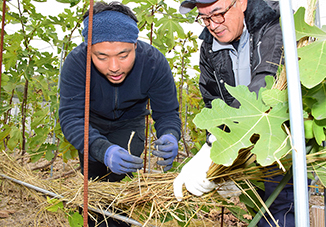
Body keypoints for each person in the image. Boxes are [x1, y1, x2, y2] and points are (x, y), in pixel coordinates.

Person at [59, 1, 181, 226]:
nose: (114, 66)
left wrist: (171, 134)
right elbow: (70, 117)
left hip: (129, 123)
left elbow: (167, 112)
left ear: (135, 44)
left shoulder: (154, 63)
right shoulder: (76, 63)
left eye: (123, 55)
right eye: (102, 57)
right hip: (90, 124)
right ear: (89, 50)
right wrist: (101, 149)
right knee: (93, 183)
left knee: (121, 186)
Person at [173, 0, 294, 226]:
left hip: (279, 140)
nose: (213, 25)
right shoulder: (209, 46)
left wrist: (214, 147)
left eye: (218, 14)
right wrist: (219, 158)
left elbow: (267, 83)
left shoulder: (275, 24)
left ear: (241, 2)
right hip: (245, 147)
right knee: (259, 210)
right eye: (204, 17)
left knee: (281, 212)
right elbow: (214, 104)